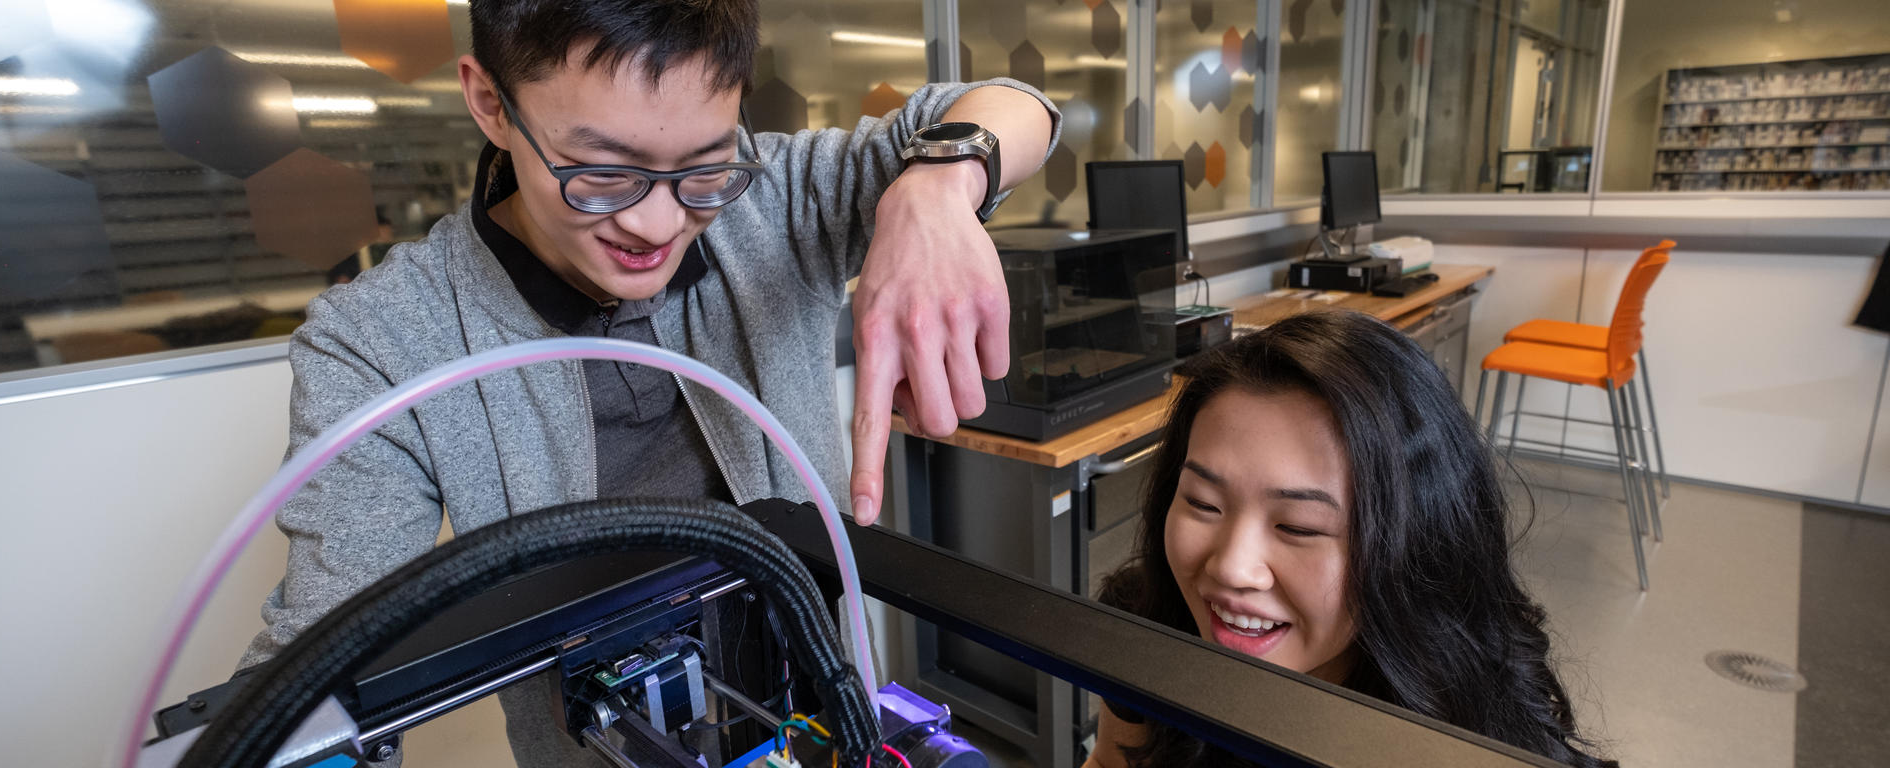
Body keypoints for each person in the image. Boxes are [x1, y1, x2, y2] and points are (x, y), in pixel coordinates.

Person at [238, 0, 1059, 764]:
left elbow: (1020, 107)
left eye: (704, 167)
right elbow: (321, 653)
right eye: (602, 171)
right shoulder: (383, 341)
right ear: (490, 103)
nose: (657, 224)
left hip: (819, 721)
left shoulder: (776, 200)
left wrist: (939, 186)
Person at [1085, 310, 1611, 768]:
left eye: (1298, 527)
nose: (1230, 568)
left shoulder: (1466, 735)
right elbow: (1111, 760)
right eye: (1202, 503)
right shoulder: (1149, 623)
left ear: (1413, 545)